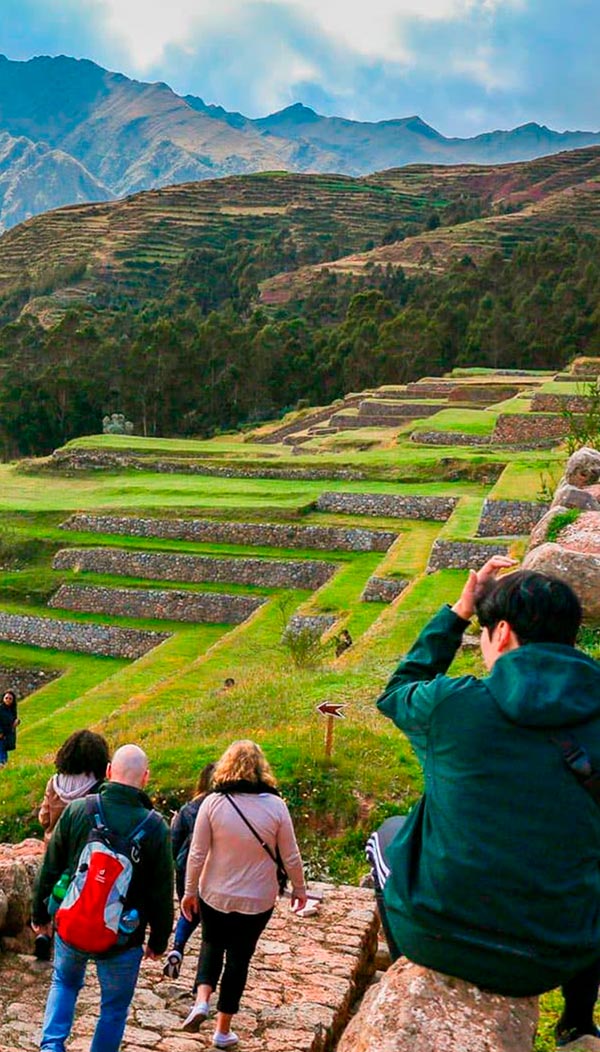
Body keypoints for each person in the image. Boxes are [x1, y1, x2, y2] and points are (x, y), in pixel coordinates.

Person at [371, 557, 600, 1049]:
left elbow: (396, 692)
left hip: (440, 938)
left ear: (501, 633)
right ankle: (578, 1022)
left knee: (385, 836)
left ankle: (406, 971)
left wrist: (457, 612)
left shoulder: (452, 705)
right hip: (558, 953)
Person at [32, 744, 174, 1052]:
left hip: (72, 922)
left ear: (109, 771)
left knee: (65, 983)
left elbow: (51, 866)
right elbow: (162, 892)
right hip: (123, 935)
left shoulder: (78, 810)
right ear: (145, 778)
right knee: (113, 1008)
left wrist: (39, 914)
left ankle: (51, 1046)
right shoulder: (155, 827)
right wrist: (159, 940)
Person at [180, 740, 307, 1048]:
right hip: (257, 898)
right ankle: (223, 1030)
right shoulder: (276, 806)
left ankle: (201, 1000)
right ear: (262, 768)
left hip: (215, 893)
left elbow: (197, 853)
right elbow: (290, 856)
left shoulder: (213, 803)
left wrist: (189, 891)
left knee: (211, 943)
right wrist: (300, 889)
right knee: (239, 958)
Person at [163, 761, 216, 980]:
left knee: (189, 911)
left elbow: (173, 842)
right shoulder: (224, 808)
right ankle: (202, 981)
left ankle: (177, 947)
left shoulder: (188, 809)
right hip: (214, 871)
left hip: (186, 869)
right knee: (211, 925)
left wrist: (173, 865)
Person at [39, 729, 110, 842]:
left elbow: (44, 819)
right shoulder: (99, 787)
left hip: (54, 850)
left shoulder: (54, 783)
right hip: (85, 852)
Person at [0, 688, 19, 766]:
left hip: (7, 736)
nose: (8, 700)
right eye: (6, 698)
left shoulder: (12, 710)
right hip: (1, 736)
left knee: (4, 757)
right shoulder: (0, 708)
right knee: (2, 759)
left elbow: (12, 722)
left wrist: (16, 722)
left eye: (10, 699)